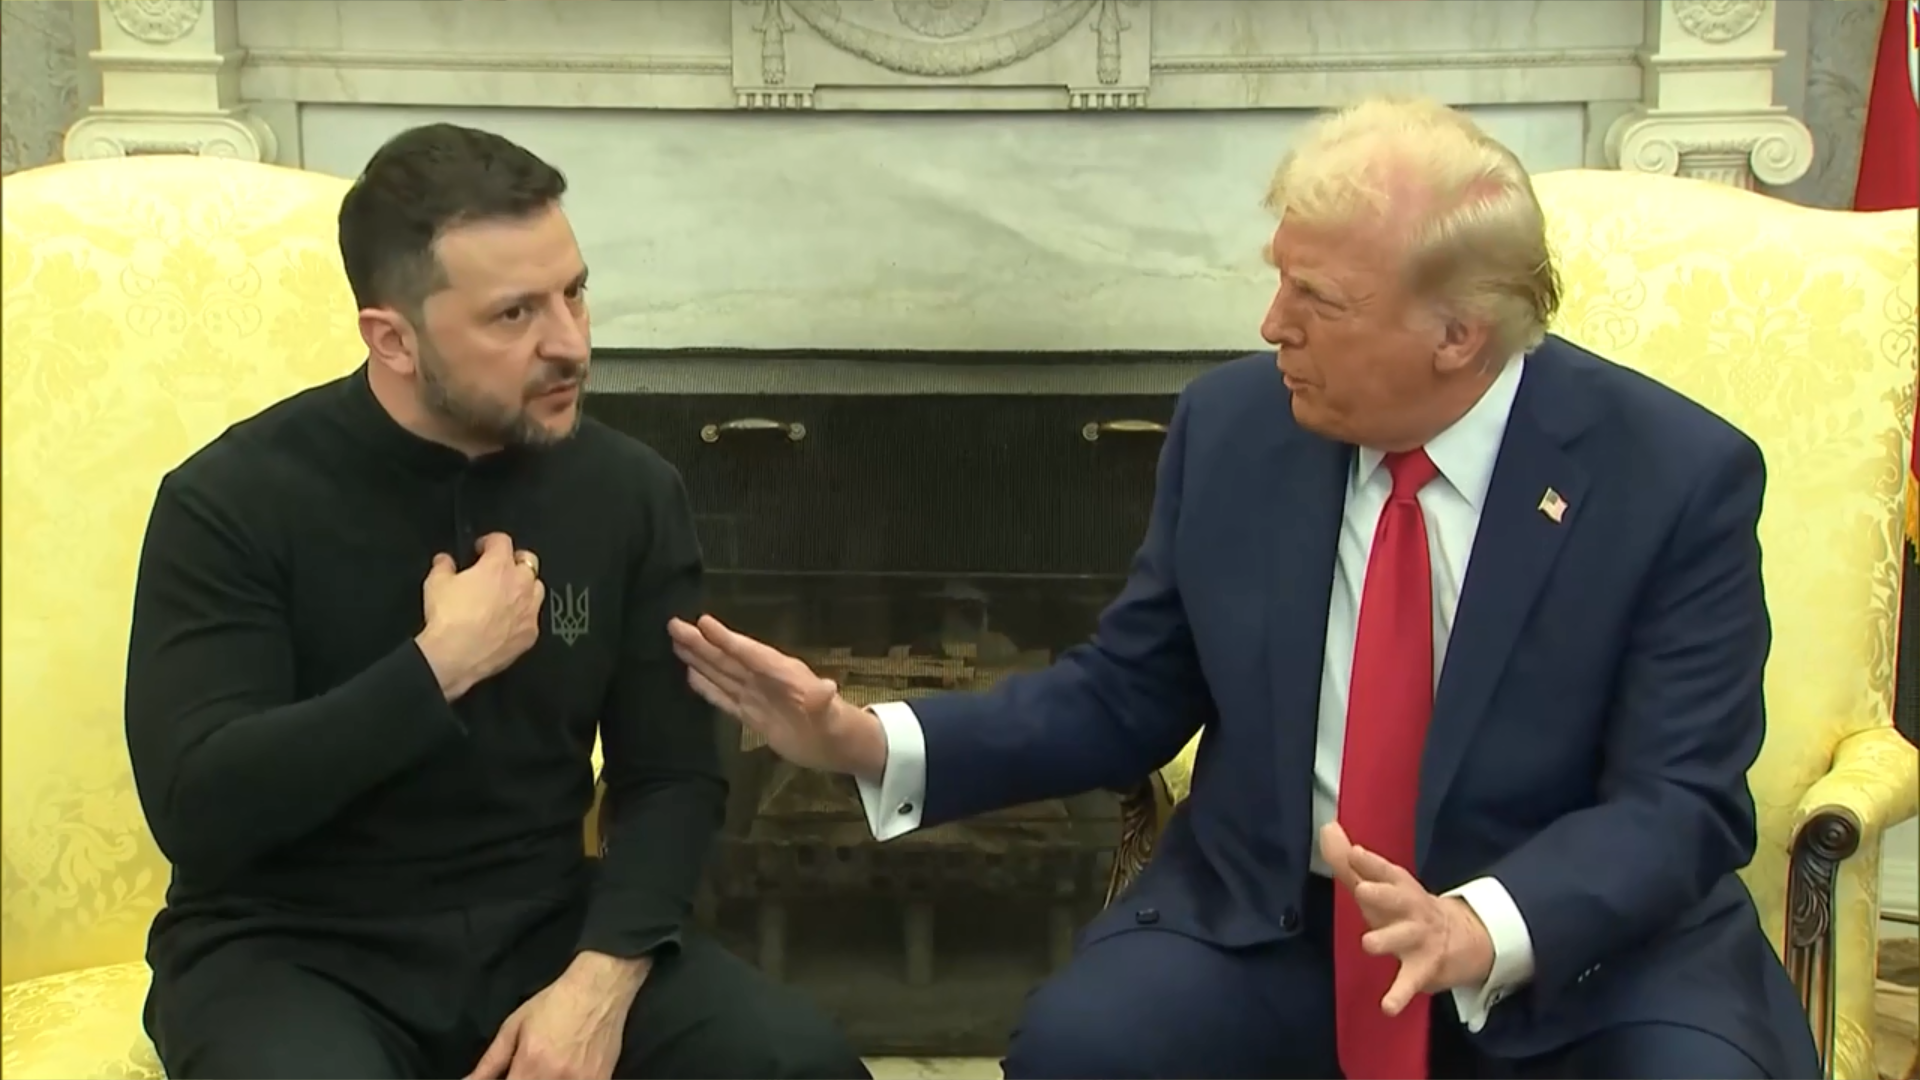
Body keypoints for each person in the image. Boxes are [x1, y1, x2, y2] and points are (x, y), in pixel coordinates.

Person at [669, 98, 1823, 1080]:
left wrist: (1479, 926)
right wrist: (866, 739)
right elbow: (1125, 695)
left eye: (1318, 299)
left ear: (1458, 336)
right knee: (1083, 1049)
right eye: (1279, 282)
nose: (1273, 326)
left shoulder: (1671, 477)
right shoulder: (1236, 429)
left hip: (1577, 951)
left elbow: (1679, 801)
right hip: (1280, 926)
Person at [123, 123, 868, 1080]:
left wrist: (599, 982)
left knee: (800, 1065)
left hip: (542, 926)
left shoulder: (630, 493)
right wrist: (437, 668)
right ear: (393, 339)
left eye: (574, 293)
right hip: (288, 947)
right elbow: (200, 809)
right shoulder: (230, 501)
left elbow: (673, 778)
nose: (570, 344)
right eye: (514, 315)